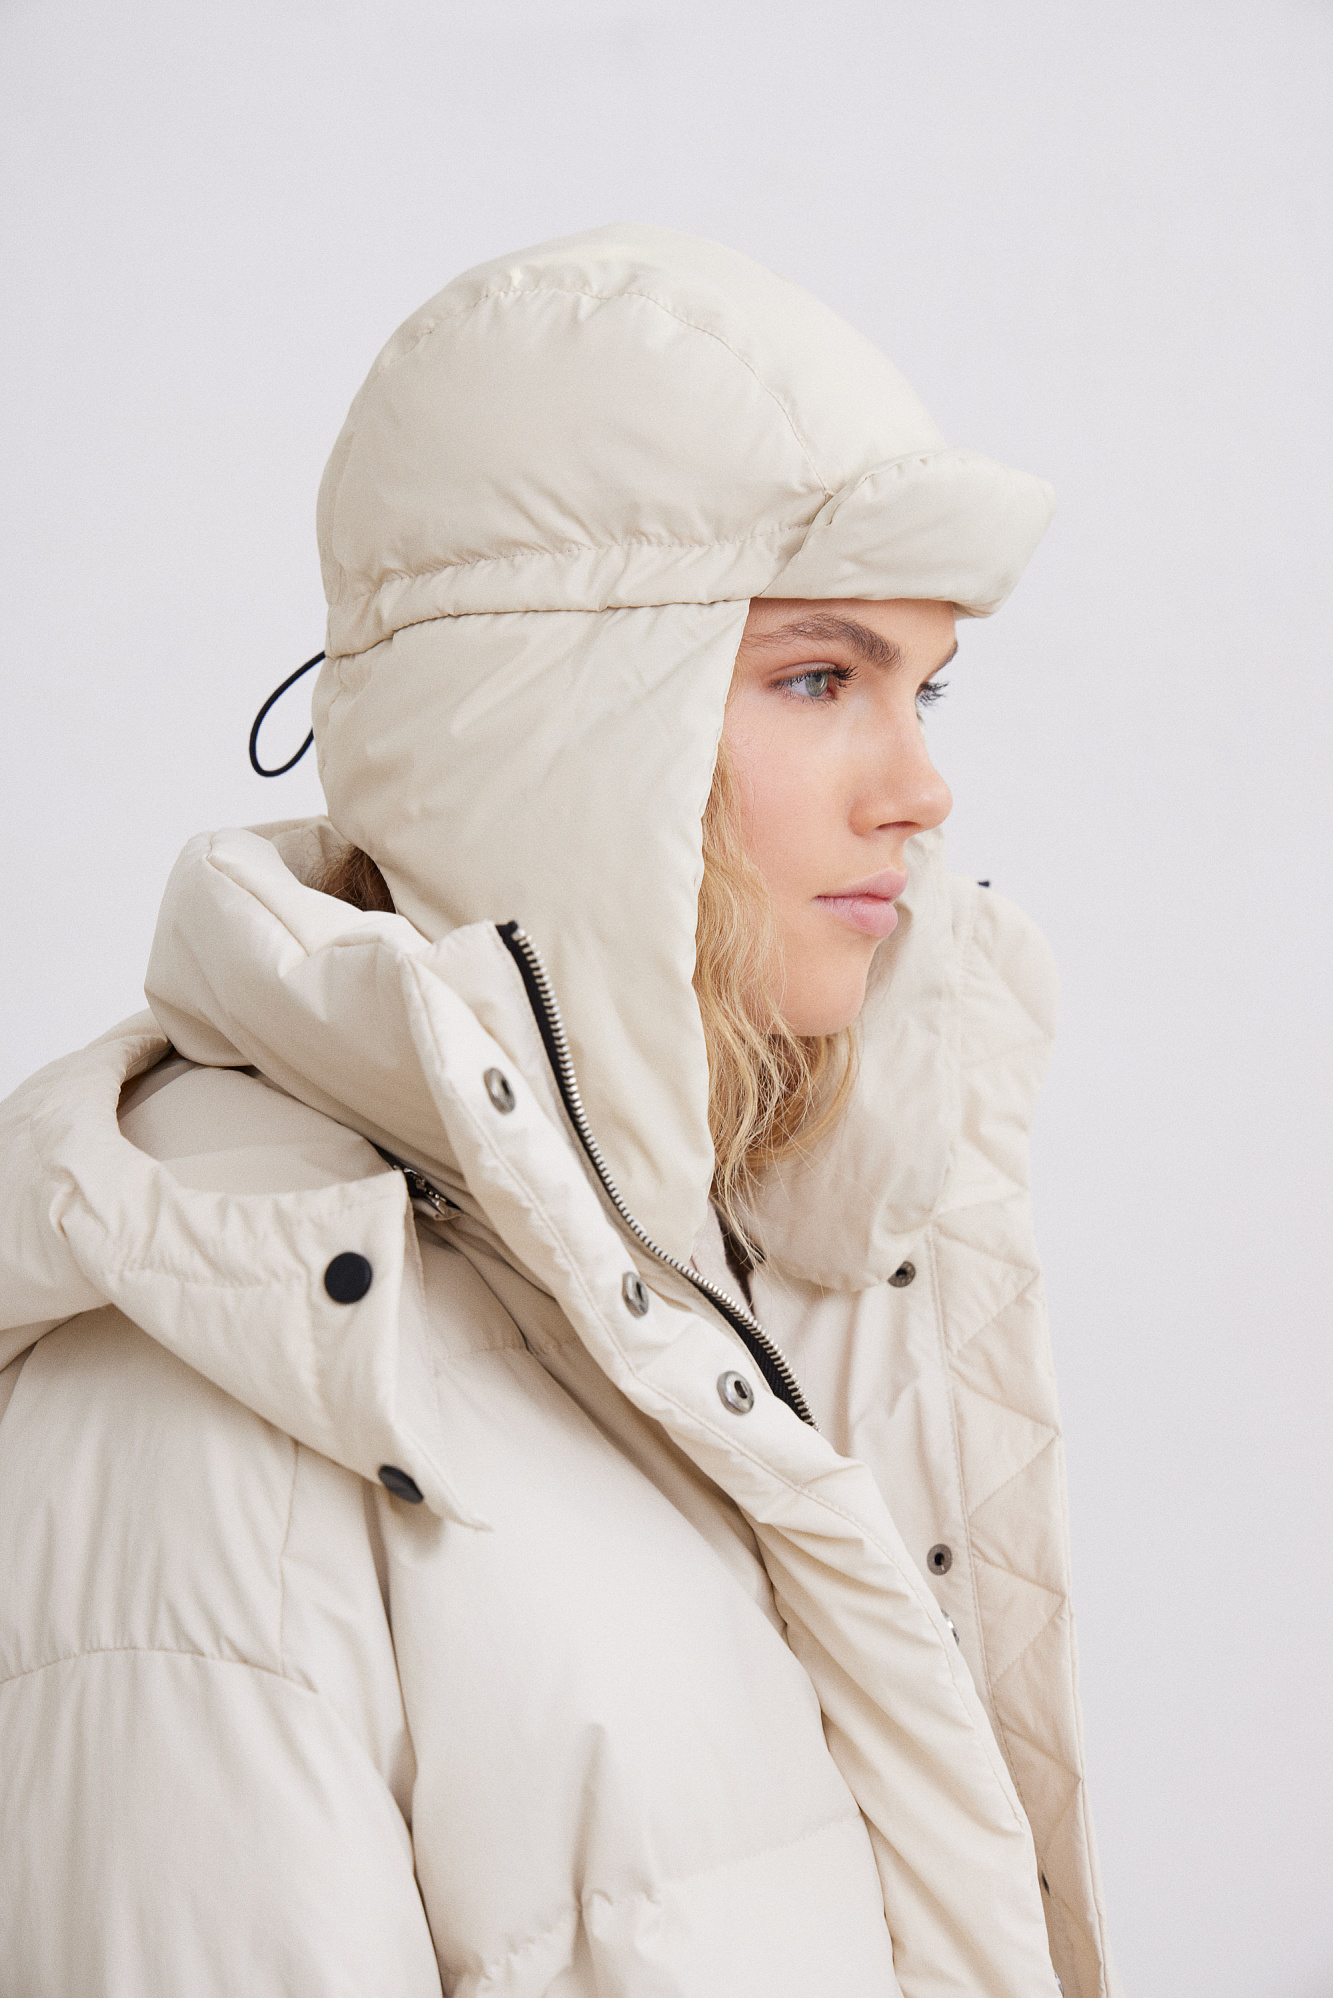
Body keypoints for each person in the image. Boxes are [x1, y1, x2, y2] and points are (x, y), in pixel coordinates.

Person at [0, 226, 1121, 1997]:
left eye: (925, 685)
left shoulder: (761, 1257)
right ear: (555, 736)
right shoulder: (218, 1400)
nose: (920, 787)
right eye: (817, 678)